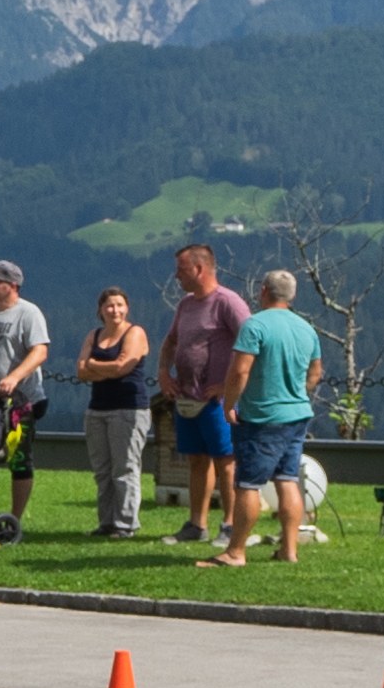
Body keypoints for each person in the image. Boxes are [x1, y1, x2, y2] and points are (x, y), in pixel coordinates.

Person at [227, 267, 325, 567]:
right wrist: (298, 391)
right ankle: (289, 550)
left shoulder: (255, 325)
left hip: (262, 416)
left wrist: (229, 403)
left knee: (248, 483)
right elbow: (315, 373)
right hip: (297, 414)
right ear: (293, 295)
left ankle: (236, 552)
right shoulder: (306, 328)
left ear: (263, 291)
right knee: (287, 479)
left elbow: (241, 370)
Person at [155, 240, 248, 544]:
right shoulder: (185, 305)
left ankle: (231, 526)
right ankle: (197, 524)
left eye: (181, 269)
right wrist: (163, 374)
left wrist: (228, 385)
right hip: (187, 397)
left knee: (226, 461)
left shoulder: (228, 302)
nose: (176, 276)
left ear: (199, 268)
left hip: (217, 401)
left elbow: (251, 344)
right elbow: (170, 342)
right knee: (196, 459)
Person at [0, 258, 52, 534]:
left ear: (12, 286)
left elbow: (39, 351)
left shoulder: (29, 314)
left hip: (22, 401)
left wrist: (15, 377)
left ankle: (14, 520)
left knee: (18, 458)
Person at [75, 283, 158, 538]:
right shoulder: (94, 334)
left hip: (128, 409)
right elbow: (81, 371)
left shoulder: (135, 333)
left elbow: (123, 367)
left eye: (120, 305)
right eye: (109, 305)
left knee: (125, 468)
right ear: (101, 309)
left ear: (127, 308)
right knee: (103, 471)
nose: (115, 310)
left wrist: (94, 365)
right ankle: (107, 522)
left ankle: (126, 524)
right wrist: (103, 368)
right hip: (97, 409)